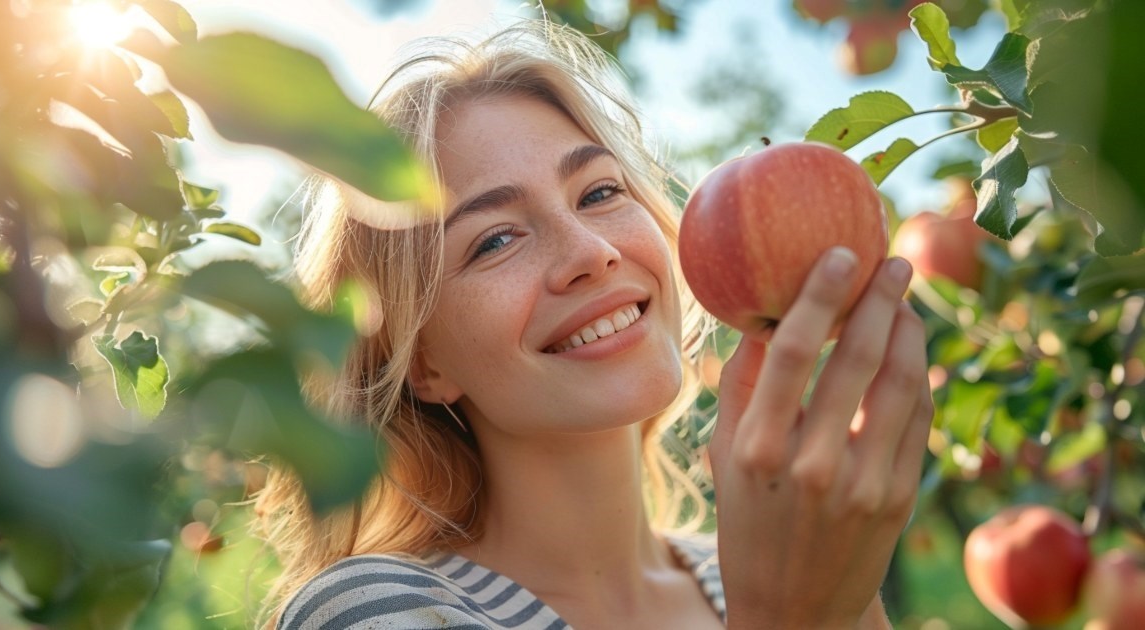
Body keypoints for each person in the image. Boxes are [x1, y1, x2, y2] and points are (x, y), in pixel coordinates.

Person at [254, 18, 933, 630]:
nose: (590, 252)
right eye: (494, 240)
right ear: (425, 363)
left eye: (601, 192)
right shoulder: (378, 610)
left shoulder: (763, 575)